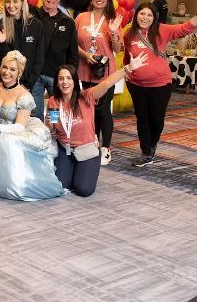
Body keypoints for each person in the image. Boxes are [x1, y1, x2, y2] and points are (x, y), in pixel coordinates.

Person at [124, 0, 197, 167]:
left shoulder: (162, 30)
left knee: (156, 119)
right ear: (136, 16)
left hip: (160, 85)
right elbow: (128, 56)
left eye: (149, 15)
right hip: (136, 85)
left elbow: (185, 29)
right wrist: (126, 70)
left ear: (154, 17)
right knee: (142, 119)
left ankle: (152, 144)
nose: (145, 18)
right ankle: (146, 152)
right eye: (142, 14)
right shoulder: (129, 34)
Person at [47, 54, 147, 196]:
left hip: (86, 149)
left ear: (75, 81)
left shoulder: (86, 97)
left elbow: (106, 84)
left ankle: (89, 165)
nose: (65, 82)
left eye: (69, 78)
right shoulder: (54, 102)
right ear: (57, 82)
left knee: (83, 189)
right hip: (65, 149)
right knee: (60, 185)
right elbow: (53, 127)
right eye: (61, 78)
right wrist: (49, 124)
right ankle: (74, 167)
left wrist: (127, 68)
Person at [0, 51, 65, 201]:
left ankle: (14, 184)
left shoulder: (24, 95)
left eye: (12, 69)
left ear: (19, 73)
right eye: (4, 67)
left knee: (8, 143)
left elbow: (19, 127)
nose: (7, 72)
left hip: (13, 132)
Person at [75, 0, 123, 159]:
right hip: (84, 69)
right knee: (88, 109)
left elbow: (117, 49)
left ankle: (106, 147)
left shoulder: (113, 19)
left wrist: (113, 33)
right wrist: (85, 54)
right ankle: (92, 141)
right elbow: (73, 43)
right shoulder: (81, 17)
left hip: (106, 72)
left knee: (103, 111)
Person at [30, 0, 79, 120]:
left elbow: (73, 52)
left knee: (56, 113)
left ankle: (57, 136)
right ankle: (38, 139)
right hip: (35, 76)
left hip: (57, 76)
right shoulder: (32, 15)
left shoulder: (68, 22)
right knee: (35, 114)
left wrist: (71, 76)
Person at [0, 0, 44, 88]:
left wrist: (28, 84)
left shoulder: (36, 25)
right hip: (4, 82)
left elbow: (39, 58)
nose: (11, 5)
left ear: (23, 3)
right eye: (8, 2)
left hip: (27, 83)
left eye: (15, 1)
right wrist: (2, 43)